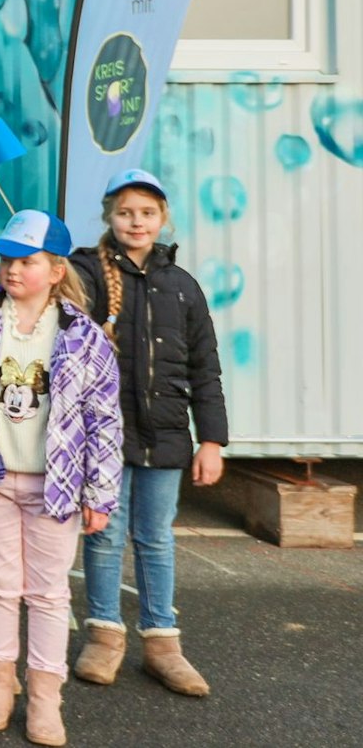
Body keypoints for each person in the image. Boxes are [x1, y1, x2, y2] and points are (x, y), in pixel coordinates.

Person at [0, 210, 122, 747]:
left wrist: (101, 492)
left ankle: (46, 699)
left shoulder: (83, 335)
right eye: (8, 260)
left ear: (57, 269)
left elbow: (105, 419)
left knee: (46, 594)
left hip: (57, 485)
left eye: (27, 261)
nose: (13, 270)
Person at [69, 169, 229, 698]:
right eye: (125, 213)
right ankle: (104, 636)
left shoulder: (182, 287)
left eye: (147, 213)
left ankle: (163, 644)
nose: (136, 222)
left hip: (165, 437)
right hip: (105, 439)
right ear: (109, 218)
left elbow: (205, 367)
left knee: (156, 539)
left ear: (163, 219)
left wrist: (211, 439)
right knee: (105, 535)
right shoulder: (86, 273)